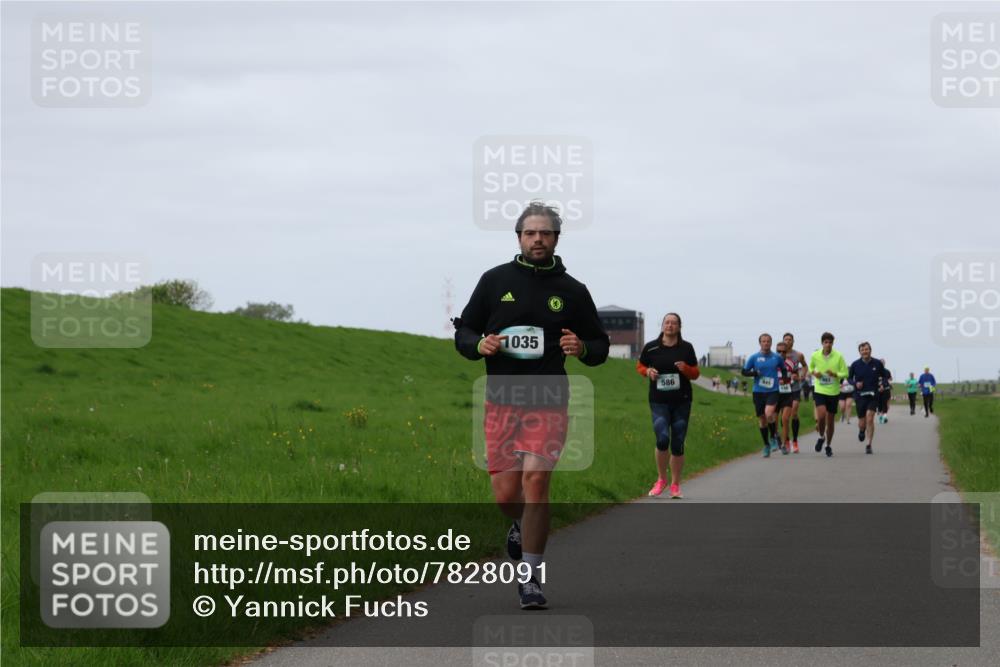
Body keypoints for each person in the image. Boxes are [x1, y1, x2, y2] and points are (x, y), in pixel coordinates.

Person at [453, 202, 609, 609]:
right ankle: (518, 524)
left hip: (548, 398)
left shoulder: (573, 291)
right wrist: (478, 344)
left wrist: (583, 347)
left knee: (536, 481)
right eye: (530, 233)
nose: (537, 239)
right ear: (519, 237)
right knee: (507, 496)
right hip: (502, 400)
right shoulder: (494, 281)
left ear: (556, 238)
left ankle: (530, 578)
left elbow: (600, 345)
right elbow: (464, 332)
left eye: (545, 233)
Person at [636, 313, 700, 499]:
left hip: (682, 401)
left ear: (679, 327)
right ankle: (661, 479)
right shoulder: (651, 347)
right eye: (667, 322)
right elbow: (639, 366)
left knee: (678, 444)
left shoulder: (686, 348)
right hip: (659, 401)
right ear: (662, 325)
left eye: (674, 323)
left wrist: (686, 369)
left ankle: (675, 484)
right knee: (662, 439)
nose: (670, 325)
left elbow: (696, 373)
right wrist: (648, 371)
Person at [742, 333, 784, 457]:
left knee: (769, 413)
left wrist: (784, 379)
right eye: (763, 341)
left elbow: (784, 369)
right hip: (758, 391)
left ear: (771, 343)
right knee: (762, 419)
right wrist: (754, 373)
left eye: (768, 341)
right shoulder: (754, 357)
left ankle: (773, 437)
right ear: (760, 343)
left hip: (773, 390)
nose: (766, 343)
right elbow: (744, 371)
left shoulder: (777, 357)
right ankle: (766, 445)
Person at [810, 332, 849, 457]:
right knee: (821, 415)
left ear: (833, 343)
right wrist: (814, 373)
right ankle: (821, 437)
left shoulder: (838, 356)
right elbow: (811, 368)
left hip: (833, 391)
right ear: (822, 343)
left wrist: (835, 374)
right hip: (820, 389)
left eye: (830, 342)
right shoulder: (815, 355)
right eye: (826, 342)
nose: (828, 344)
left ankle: (828, 445)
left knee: (830, 421)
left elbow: (845, 373)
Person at [848, 342, 888, 454]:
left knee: (870, 418)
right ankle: (862, 430)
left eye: (866, 349)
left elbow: (885, 377)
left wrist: (882, 385)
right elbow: (849, 379)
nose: (865, 351)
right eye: (862, 350)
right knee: (862, 422)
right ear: (859, 352)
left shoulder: (877, 363)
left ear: (870, 350)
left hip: (873, 395)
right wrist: (855, 383)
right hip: (860, 396)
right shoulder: (855, 364)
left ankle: (869, 444)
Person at [780, 332, 808, 453]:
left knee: (794, 412)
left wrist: (801, 376)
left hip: (795, 387)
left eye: (790, 339)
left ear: (793, 341)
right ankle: (786, 440)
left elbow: (805, 366)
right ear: (783, 341)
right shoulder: (778, 355)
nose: (787, 341)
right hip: (783, 388)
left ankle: (795, 441)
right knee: (784, 417)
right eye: (785, 339)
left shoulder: (798, 355)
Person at [775, 341, 796, 454]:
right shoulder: (772, 362)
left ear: (787, 352)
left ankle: (784, 444)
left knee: (785, 419)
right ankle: (776, 435)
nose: (781, 354)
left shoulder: (791, 363)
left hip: (787, 393)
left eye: (783, 352)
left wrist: (796, 376)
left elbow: (796, 374)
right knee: (773, 419)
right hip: (774, 394)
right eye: (778, 351)